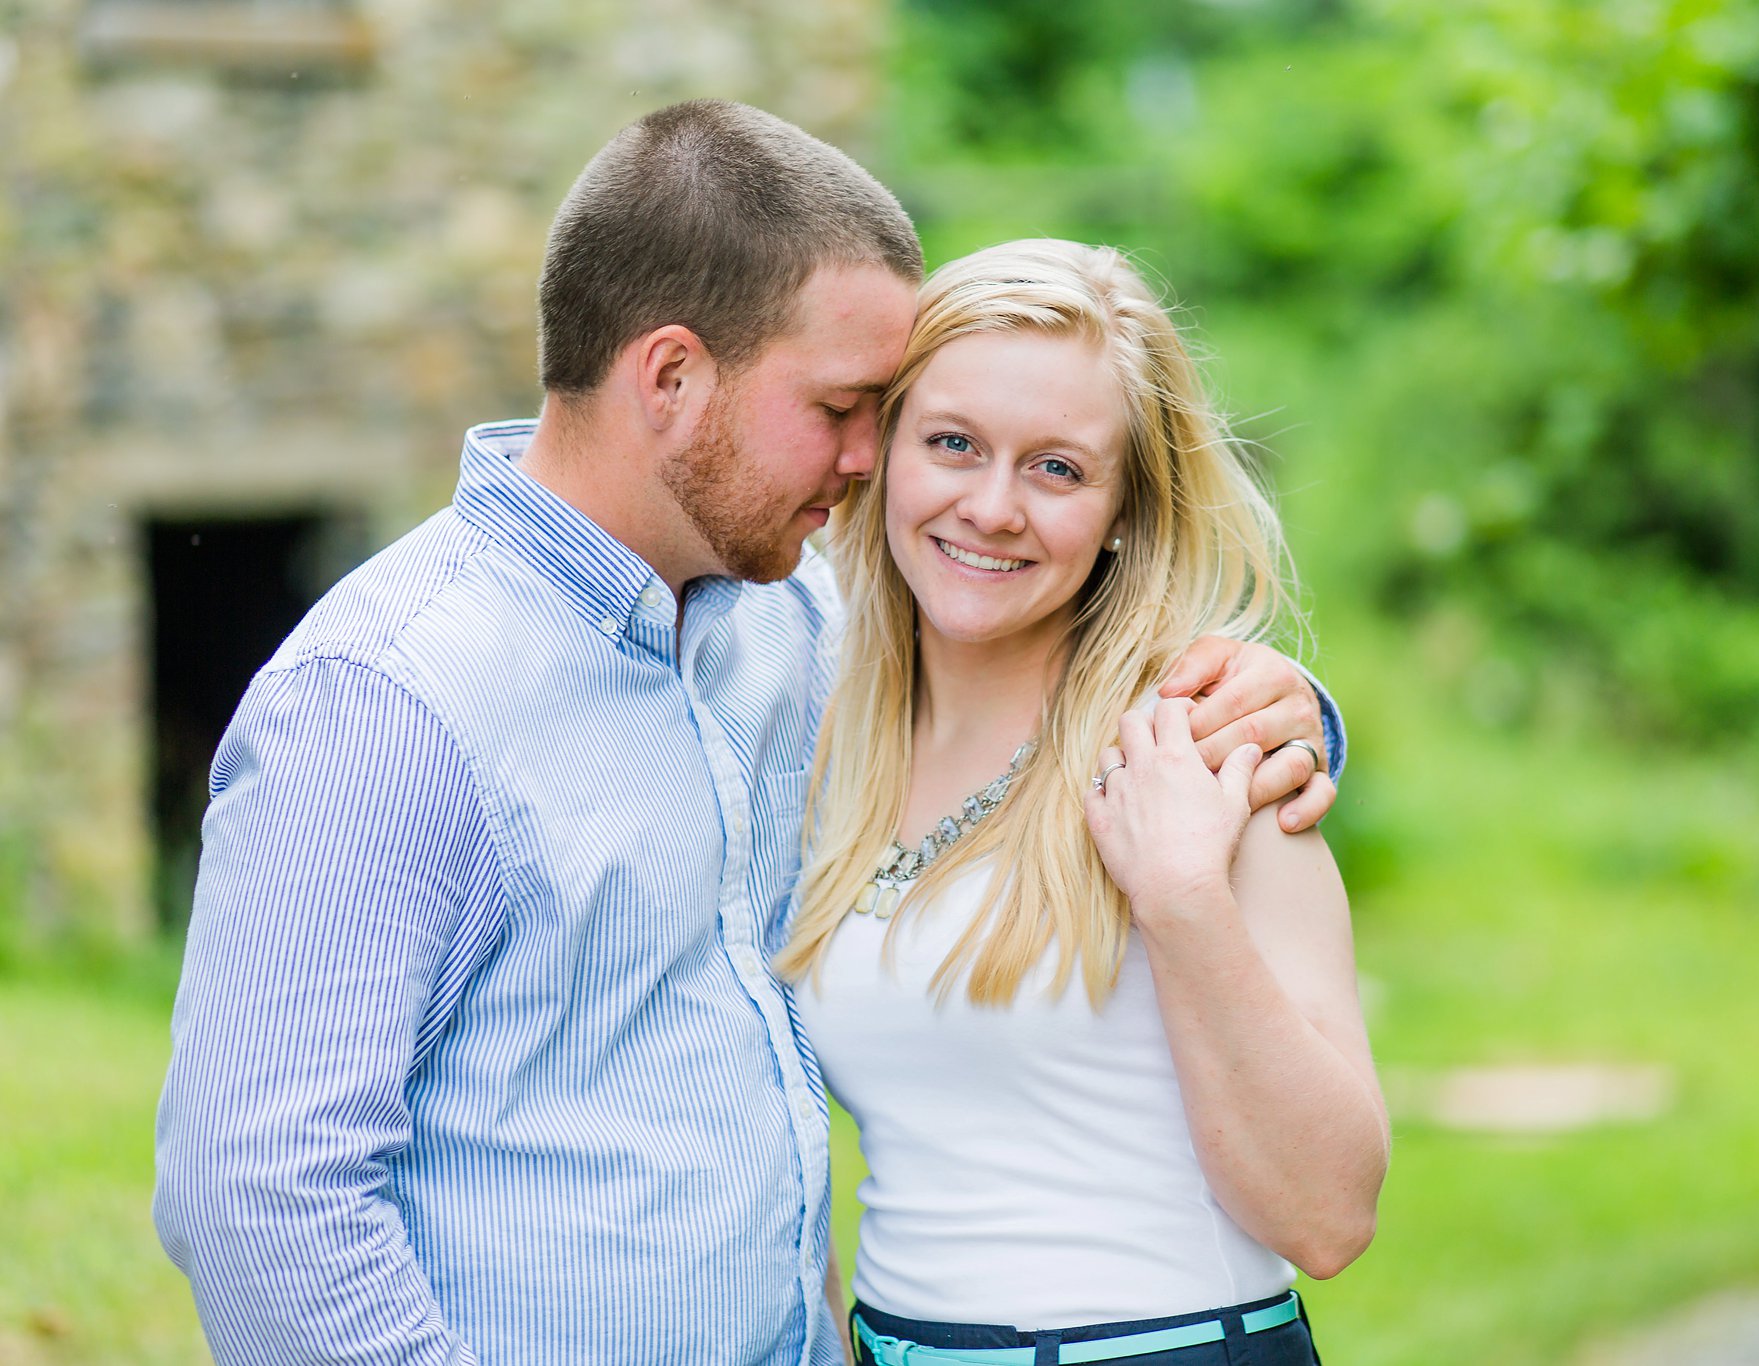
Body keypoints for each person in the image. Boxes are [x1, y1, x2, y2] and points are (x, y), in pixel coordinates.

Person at [152, 103, 1343, 1366]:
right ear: (670, 378)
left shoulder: (781, 625)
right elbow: (260, 1198)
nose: (870, 458)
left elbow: (1021, 679)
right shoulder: (386, 699)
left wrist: (1269, 709)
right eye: (841, 407)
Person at [783, 240, 1389, 1366]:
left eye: (1057, 469)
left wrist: (1182, 899)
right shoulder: (820, 720)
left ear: (1122, 508)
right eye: (952, 444)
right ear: (880, 451)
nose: (992, 507)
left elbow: (1330, 1214)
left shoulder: (1199, 742)